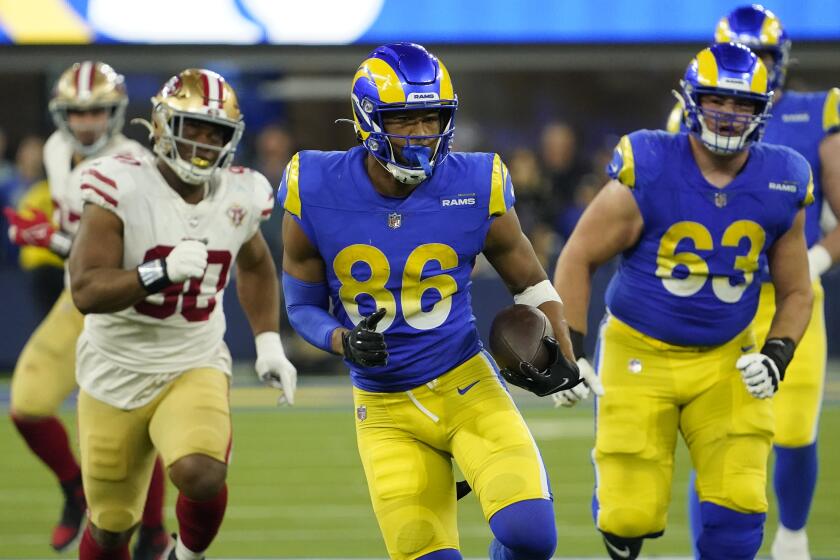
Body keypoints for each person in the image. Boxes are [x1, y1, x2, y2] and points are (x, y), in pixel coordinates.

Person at [279, 42, 593, 560]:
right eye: (405, 120)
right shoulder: (313, 185)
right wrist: (343, 340)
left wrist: (562, 353)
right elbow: (300, 305)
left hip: (466, 382)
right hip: (384, 408)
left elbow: (532, 283)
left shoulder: (476, 181)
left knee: (531, 537)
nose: (422, 134)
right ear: (367, 119)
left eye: (432, 118)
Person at [553, 43, 814, 560]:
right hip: (639, 353)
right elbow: (578, 254)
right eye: (719, 99)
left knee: (740, 512)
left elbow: (797, 290)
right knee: (629, 515)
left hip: (728, 358)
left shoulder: (782, 177)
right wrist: (570, 350)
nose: (729, 113)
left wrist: (777, 353)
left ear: (764, 110)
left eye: (743, 104)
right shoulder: (649, 163)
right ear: (692, 100)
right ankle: (617, 515)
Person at [67, 68, 297, 560]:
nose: (203, 142)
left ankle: (184, 557)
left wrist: (268, 342)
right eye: (192, 127)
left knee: (203, 471)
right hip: (114, 369)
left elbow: (256, 265)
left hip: (192, 360)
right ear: (161, 125)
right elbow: (85, 289)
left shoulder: (241, 194)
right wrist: (157, 272)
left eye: (216, 133)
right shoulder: (119, 185)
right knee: (111, 527)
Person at [666, 7, 840, 558]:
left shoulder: (818, 112)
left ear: (779, 61)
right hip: (722, 297)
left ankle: (792, 536)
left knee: (792, 431)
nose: (749, 71)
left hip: (791, 296)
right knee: (716, 437)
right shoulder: (683, 122)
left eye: (762, 58)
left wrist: (812, 259)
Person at [4, 61, 169, 558]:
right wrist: (54, 237)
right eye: (77, 112)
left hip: (125, 306)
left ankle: (155, 530)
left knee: (136, 425)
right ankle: (76, 489)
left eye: (97, 111)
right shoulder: (57, 151)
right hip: (78, 299)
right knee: (28, 406)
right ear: (62, 115)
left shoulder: (135, 163)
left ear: (115, 113)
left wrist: (47, 237)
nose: (87, 122)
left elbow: (126, 257)